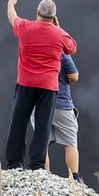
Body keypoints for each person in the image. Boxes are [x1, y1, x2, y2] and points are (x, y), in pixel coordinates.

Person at [3, 0, 77, 171]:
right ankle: (37, 165)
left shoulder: (25, 27)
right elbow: (72, 47)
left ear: (37, 12)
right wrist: (58, 28)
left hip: (25, 83)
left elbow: (12, 17)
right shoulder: (59, 34)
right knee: (43, 127)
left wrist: (11, 4)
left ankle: (15, 163)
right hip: (48, 87)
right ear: (54, 17)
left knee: (18, 123)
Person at [30, 49, 81, 179]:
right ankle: (74, 177)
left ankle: (44, 175)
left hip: (38, 102)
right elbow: (74, 76)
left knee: (43, 142)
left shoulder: (32, 49)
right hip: (61, 102)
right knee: (70, 142)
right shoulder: (59, 50)